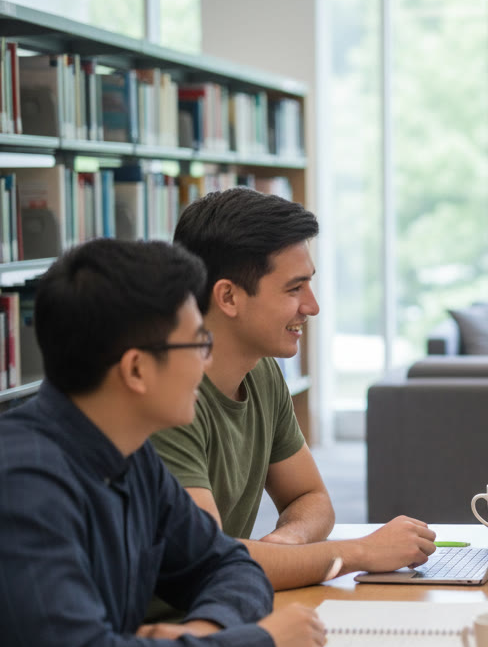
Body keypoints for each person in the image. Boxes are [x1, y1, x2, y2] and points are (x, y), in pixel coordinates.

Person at [0, 239, 326, 647]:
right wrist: (261, 646)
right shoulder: (23, 484)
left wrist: (202, 633)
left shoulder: (130, 455)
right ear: (135, 370)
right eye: (197, 344)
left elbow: (229, 565)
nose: (206, 361)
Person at [151, 188, 434, 594]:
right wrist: (357, 553)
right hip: (163, 631)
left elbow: (311, 496)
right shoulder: (167, 399)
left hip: (221, 607)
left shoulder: (263, 372)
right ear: (228, 296)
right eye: (294, 288)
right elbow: (207, 562)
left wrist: (288, 543)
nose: (313, 306)